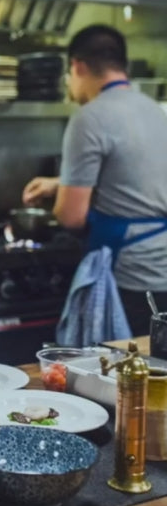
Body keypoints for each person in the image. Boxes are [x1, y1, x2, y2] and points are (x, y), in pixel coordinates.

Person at [23, 24, 167, 336]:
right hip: (162, 269)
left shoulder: (88, 118)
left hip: (131, 275)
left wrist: (62, 198)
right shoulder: (156, 111)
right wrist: (58, 183)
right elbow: (134, 178)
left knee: (120, 375)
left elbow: (71, 217)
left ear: (77, 66)